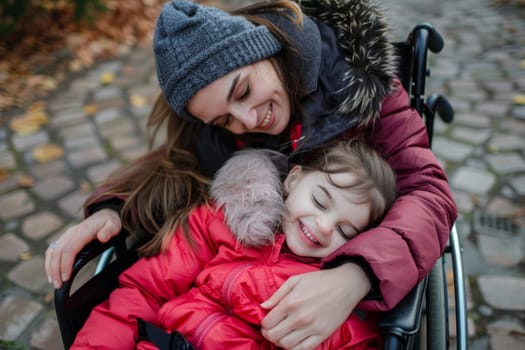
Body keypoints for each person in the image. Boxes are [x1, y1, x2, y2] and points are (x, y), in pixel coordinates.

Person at [46, 0, 457, 348]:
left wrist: (356, 277)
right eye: (225, 119)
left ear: (262, 50)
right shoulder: (224, 141)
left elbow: (430, 194)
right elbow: (178, 163)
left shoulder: (360, 88)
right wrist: (114, 208)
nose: (247, 121)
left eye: (242, 91)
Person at [71, 140, 397, 349]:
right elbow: (145, 290)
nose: (324, 227)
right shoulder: (220, 221)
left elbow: (354, 341)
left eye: (345, 230)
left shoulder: (326, 294)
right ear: (294, 178)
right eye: (320, 201)